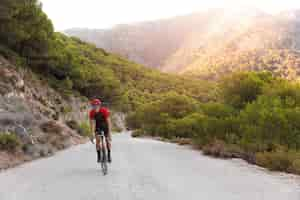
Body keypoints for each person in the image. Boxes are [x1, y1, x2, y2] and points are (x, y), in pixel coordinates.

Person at [89, 98, 112, 163]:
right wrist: (92, 134)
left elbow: (108, 122)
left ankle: (109, 155)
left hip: (105, 126)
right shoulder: (92, 112)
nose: (96, 106)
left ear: (99, 105)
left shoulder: (104, 110)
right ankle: (99, 155)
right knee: (98, 141)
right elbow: (92, 123)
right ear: (92, 106)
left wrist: (109, 133)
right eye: (94, 105)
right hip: (97, 127)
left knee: (107, 141)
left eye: (97, 105)